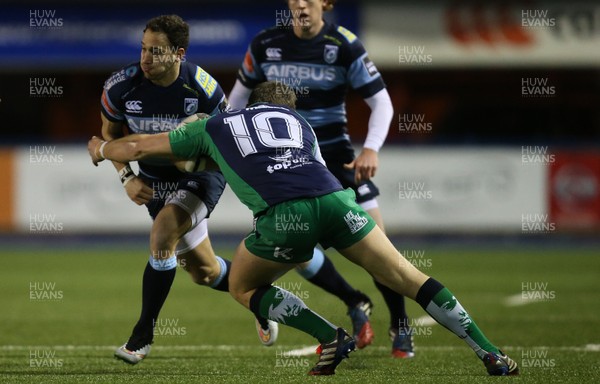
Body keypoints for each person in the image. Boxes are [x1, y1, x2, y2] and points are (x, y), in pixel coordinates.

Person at [88, 81, 519, 377]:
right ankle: (491, 352)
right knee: (408, 277)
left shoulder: (216, 125)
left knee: (241, 284)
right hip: (336, 201)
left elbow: (140, 146)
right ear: (287, 110)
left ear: (248, 104)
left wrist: (102, 148)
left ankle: (329, 336)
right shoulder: (302, 126)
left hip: (285, 216)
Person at [227, 0, 412, 356]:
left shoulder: (344, 45)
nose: (300, 5)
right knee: (296, 251)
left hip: (339, 163)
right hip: (287, 167)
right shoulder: (265, 44)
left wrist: (371, 148)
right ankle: (355, 302)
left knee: (379, 250)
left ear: (325, 3)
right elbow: (235, 105)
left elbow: (382, 103)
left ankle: (401, 326)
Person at [98, 14, 279, 364]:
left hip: (201, 175)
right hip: (154, 181)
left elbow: (226, 142)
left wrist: (195, 163)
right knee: (204, 272)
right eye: (143, 49)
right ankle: (261, 298)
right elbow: (109, 135)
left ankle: (141, 337)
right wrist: (127, 176)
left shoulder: (203, 89)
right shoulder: (121, 87)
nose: (145, 59)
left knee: (162, 233)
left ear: (178, 53)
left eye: (156, 51)